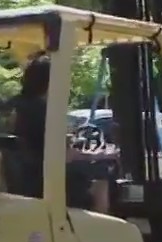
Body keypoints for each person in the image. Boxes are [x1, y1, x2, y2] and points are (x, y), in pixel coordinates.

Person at [10, 52, 113, 212]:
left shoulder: (16, 105)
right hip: (43, 179)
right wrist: (99, 155)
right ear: (50, 82)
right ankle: (99, 222)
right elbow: (64, 156)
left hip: (21, 176)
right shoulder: (44, 111)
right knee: (102, 172)